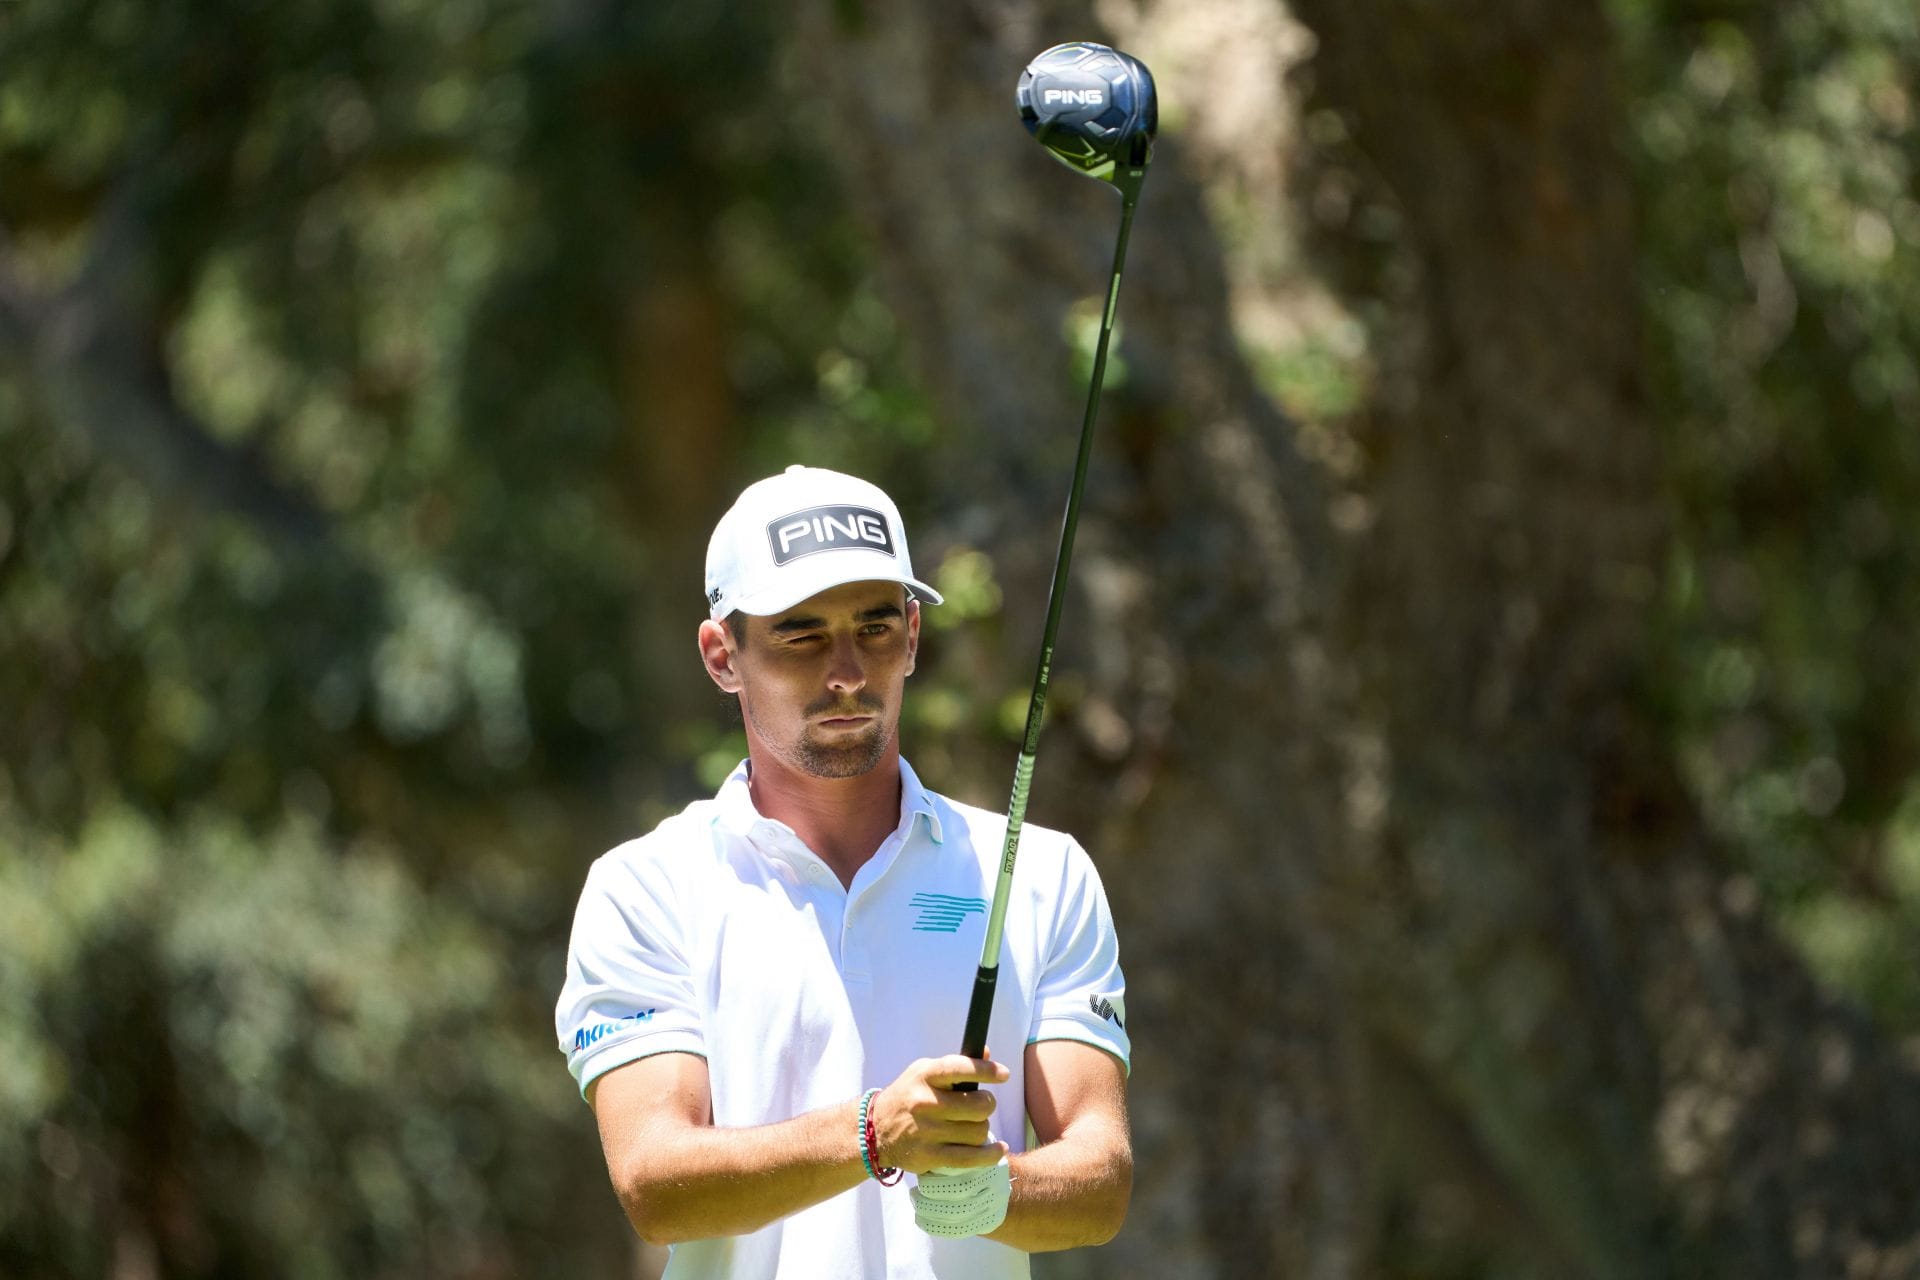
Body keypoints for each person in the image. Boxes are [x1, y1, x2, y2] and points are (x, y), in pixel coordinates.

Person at [555, 465, 1131, 1278]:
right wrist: (870, 1134)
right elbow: (656, 1185)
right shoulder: (645, 888)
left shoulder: (1044, 871)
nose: (849, 673)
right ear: (723, 655)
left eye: (875, 627)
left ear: (915, 637)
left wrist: (1000, 1193)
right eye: (802, 635)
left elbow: (1100, 1181)